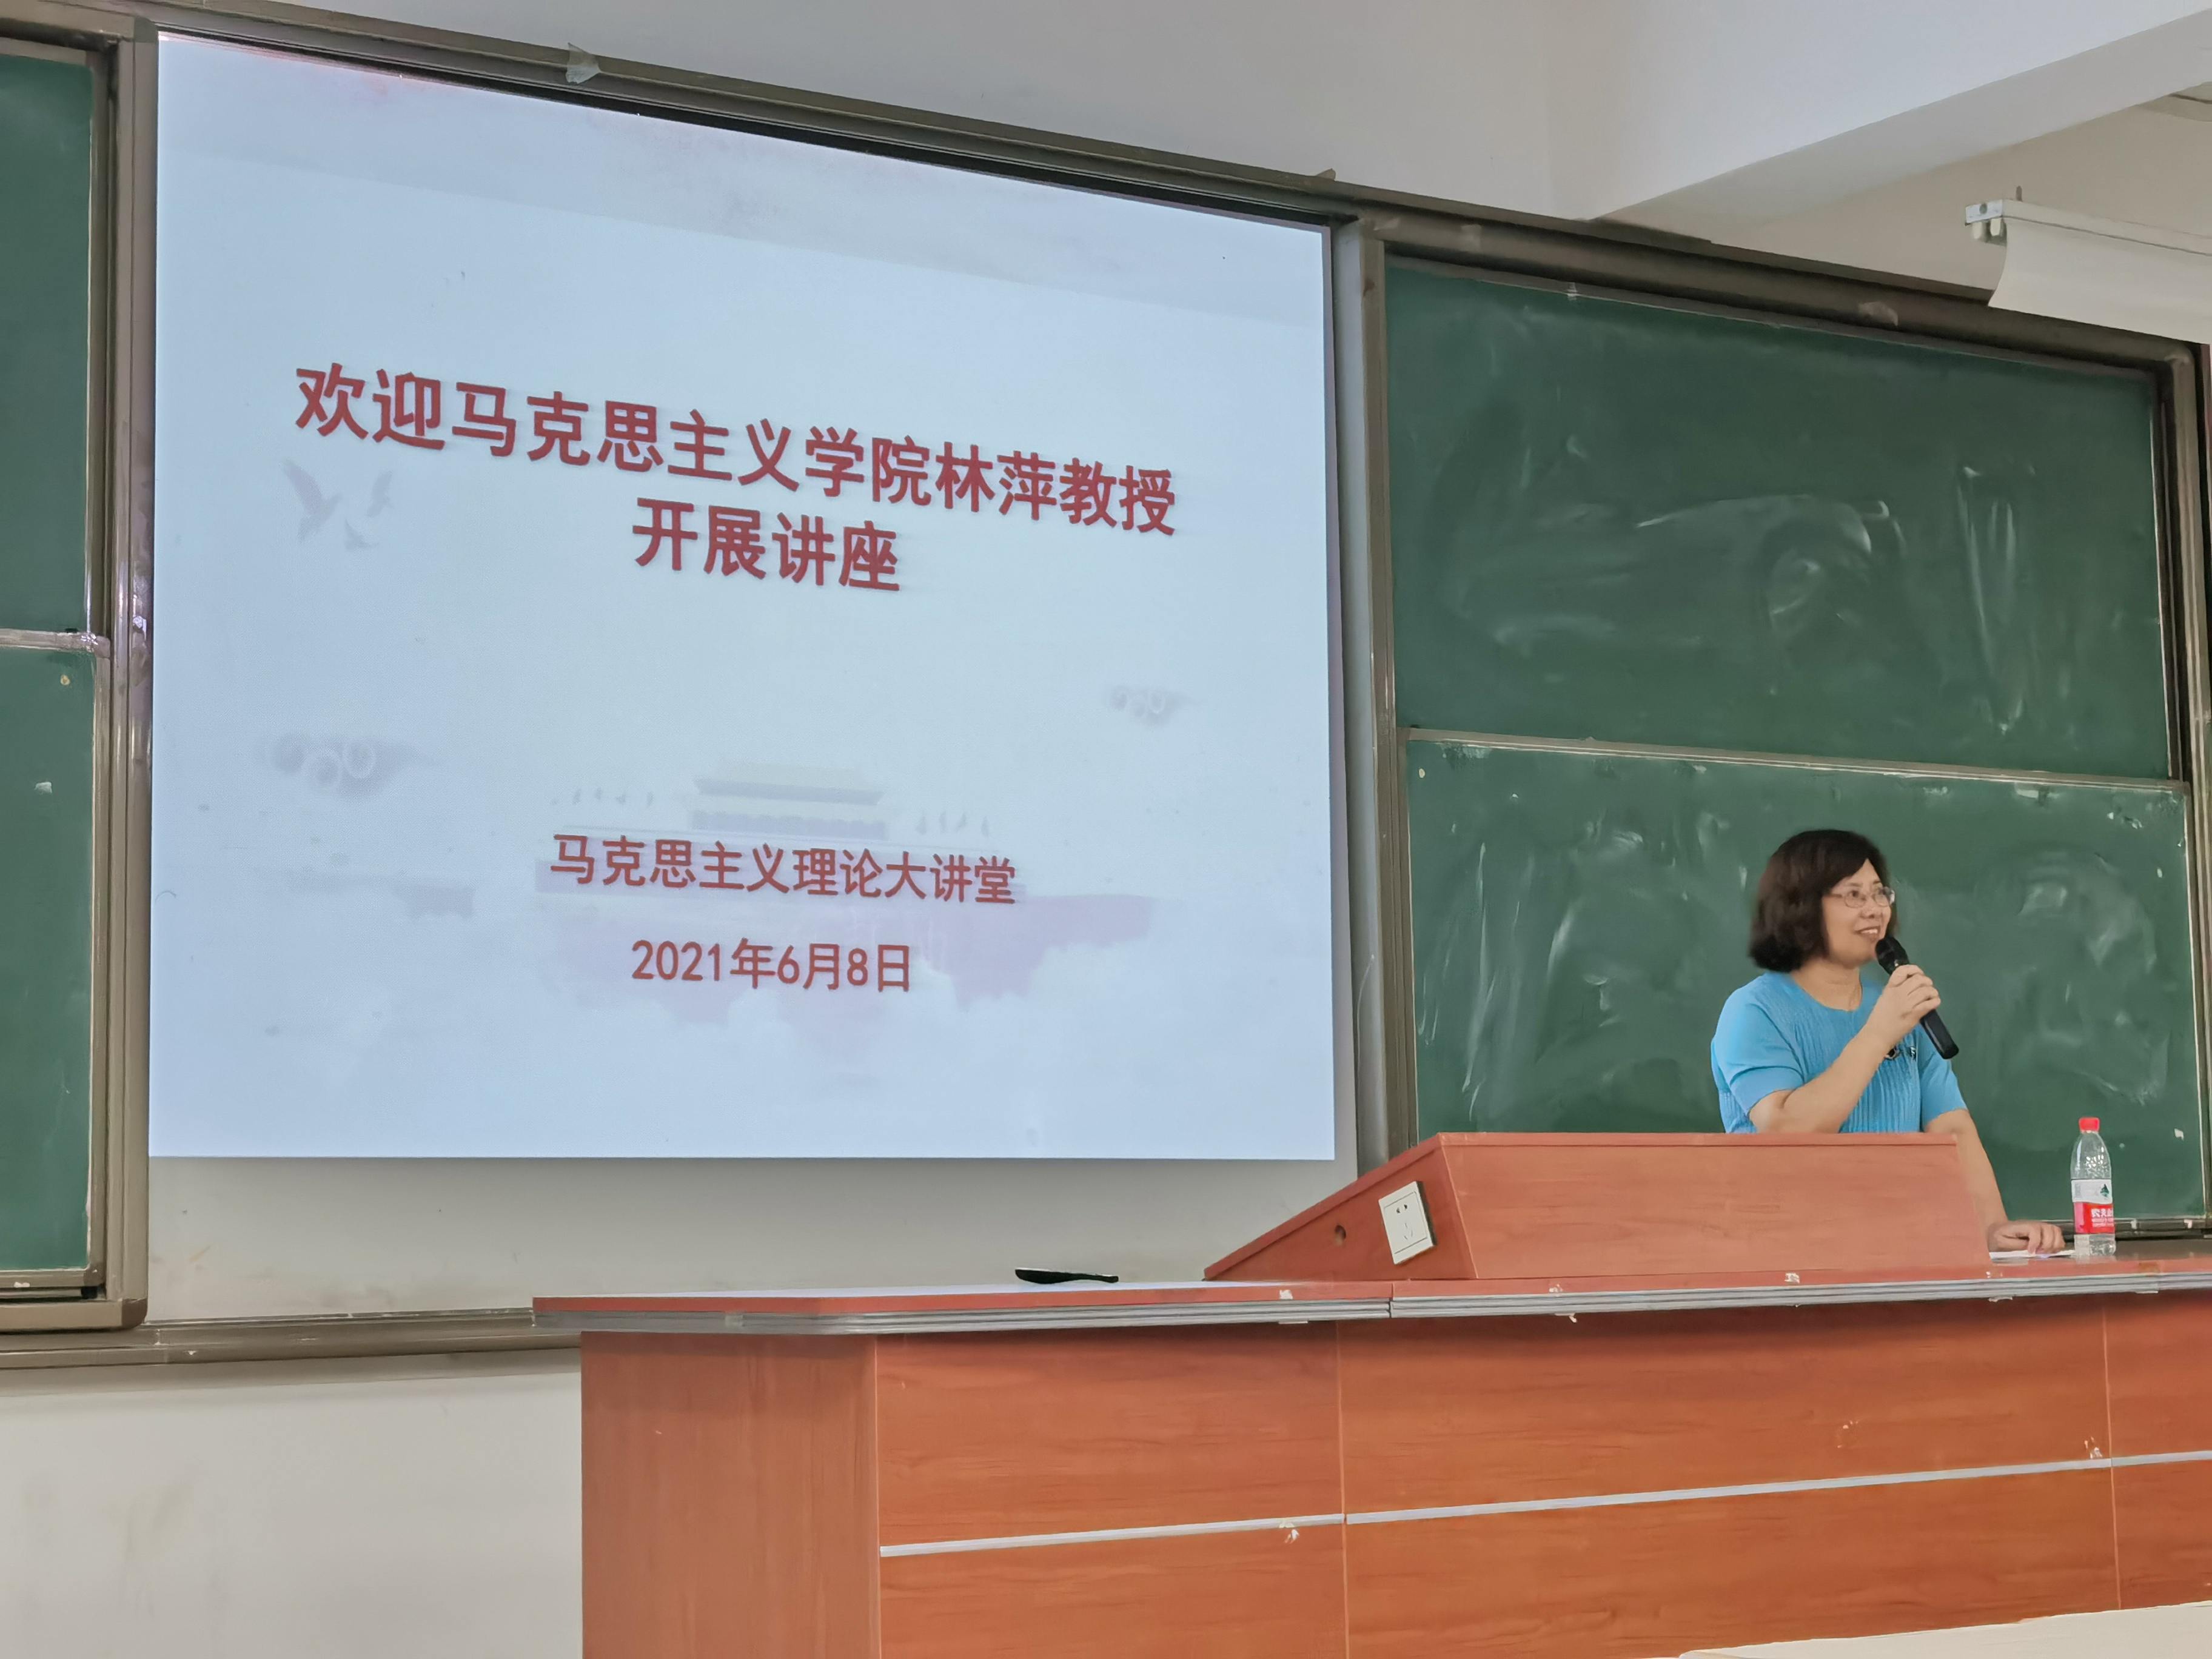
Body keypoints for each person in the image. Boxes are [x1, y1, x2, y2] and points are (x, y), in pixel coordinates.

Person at [1712, 828, 2066, 1255]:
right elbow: (1787, 1129)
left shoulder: (1900, 1009)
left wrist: (1992, 1228)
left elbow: (1952, 1129)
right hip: (1789, 1255)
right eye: (1853, 895)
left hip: (1899, 1249)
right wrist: (1879, 1033)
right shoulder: (1755, 1010)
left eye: (1880, 893)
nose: (1875, 909)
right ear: (1801, 906)